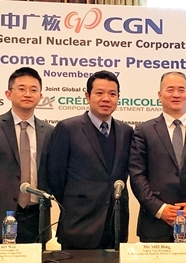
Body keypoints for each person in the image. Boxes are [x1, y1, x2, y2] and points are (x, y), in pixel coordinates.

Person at [0, 67, 54, 243]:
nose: (27, 94)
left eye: (33, 90)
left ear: (40, 96)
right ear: (8, 94)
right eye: (21, 88)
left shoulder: (50, 132)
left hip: (36, 219)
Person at [46, 70, 133, 249]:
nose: (106, 98)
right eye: (99, 93)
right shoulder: (68, 128)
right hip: (79, 224)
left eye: (112, 94)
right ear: (87, 96)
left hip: (115, 224)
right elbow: (55, 176)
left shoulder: (126, 131)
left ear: (118, 97)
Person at [129, 71, 186, 242]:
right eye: (170, 90)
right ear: (159, 95)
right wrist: (159, 208)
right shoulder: (144, 131)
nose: (176, 94)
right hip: (154, 225)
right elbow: (137, 174)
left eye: (181, 90)